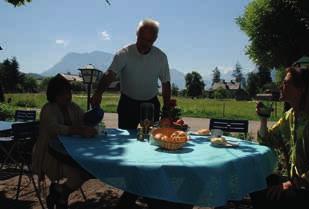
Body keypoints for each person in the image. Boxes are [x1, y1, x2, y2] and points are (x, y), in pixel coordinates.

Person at [91, 19, 192, 209]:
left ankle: (141, 190)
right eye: (142, 39)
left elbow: (166, 84)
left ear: (155, 39)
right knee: (129, 148)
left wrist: (167, 110)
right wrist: (98, 93)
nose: (145, 45)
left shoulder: (160, 56)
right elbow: (109, 75)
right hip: (128, 103)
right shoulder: (124, 53)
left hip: (150, 103)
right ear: (136, 35)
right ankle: (136, 188)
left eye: (149, 41)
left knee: (151, 146)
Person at [252, 67, 309, 209]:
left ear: (301, 89)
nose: (281, 87)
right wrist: (263, 119)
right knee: (256, 182)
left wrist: (291, 184)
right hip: (297, 185)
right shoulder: (290, 115)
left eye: (286, 83)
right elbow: (267, 140)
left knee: (265, 196)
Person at [32, 75, 97, 209]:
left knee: (89, 169)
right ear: (54, 95)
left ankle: (59, 192)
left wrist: (93, 118)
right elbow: (53, 129)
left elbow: (84, 119)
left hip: (70, 152)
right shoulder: (48, 109)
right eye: (63, 93)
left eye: (69, 92)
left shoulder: (72, 107)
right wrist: (78, 130)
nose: (68, 96)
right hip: (51, 154)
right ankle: (61, 196)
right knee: (80, 173)